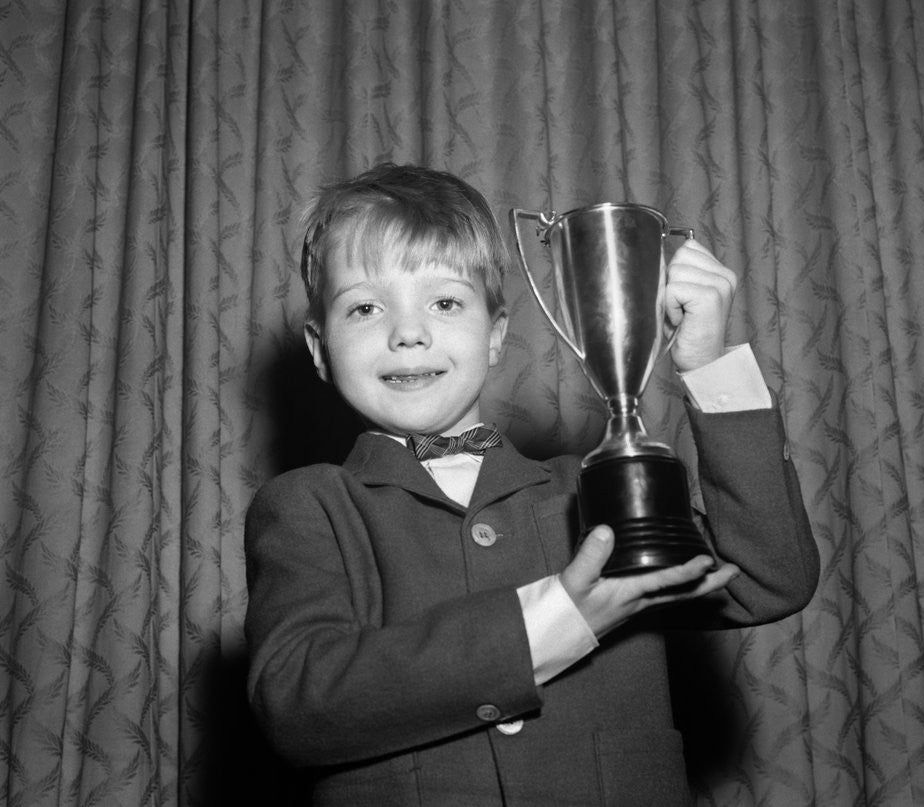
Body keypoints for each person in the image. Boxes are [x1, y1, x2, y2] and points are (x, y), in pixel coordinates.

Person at [244, 163, 819, 806]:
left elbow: (766, 576)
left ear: (495, 336)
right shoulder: (307, 507)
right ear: (320, 348)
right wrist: (556, 621)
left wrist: (710, 366)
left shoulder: (587, 487)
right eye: (365, 307)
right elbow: (297, 706)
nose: (408, 333)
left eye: (444, 302)